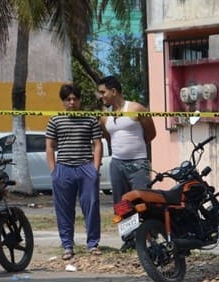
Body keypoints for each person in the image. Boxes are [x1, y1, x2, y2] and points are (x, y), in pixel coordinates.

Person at [45, 84, 103, 260]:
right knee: (64, 209)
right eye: (68, 99)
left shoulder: (90, 119)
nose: (72, 102)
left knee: (91, 205)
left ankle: (93, 244)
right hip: (63, 168)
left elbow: (97, 144)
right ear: (63, 102)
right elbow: (49, 146)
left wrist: (95, 168)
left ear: (80, 100)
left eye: (74, 98)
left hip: (86, 167)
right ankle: (67, 246)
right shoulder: (55, 120)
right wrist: (53, 170)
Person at [97, 75, 157, 205]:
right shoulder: (104, 117)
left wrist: (135, 148)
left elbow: (151, 134)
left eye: (103, 92)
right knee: (121, 205)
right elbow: (109, 139)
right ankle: (123, 226)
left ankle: (146, 226)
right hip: (117, 164)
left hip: (138, 164)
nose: (101, 96)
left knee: (143, 203)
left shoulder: (136, 108)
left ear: (113, 91)